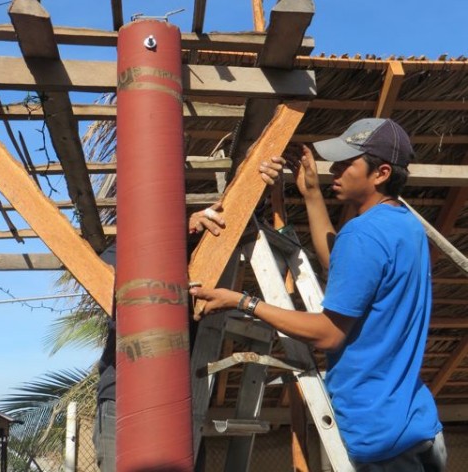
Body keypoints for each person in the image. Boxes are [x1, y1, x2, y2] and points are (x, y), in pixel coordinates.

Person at [190, 118, 447, 471]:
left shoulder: (363, 234)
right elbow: (340, 267)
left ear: (381, 172)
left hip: (378, 436)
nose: (335, 171)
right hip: (417, 424)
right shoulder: (405, 226)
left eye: (347, 163)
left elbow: (328, 334)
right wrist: (310, 192)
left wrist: (243, 302)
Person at [93, 205, 226, 472]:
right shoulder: (119, 256)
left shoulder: (200, 256)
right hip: (122, 400)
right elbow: (108, 271)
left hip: (180, 403)